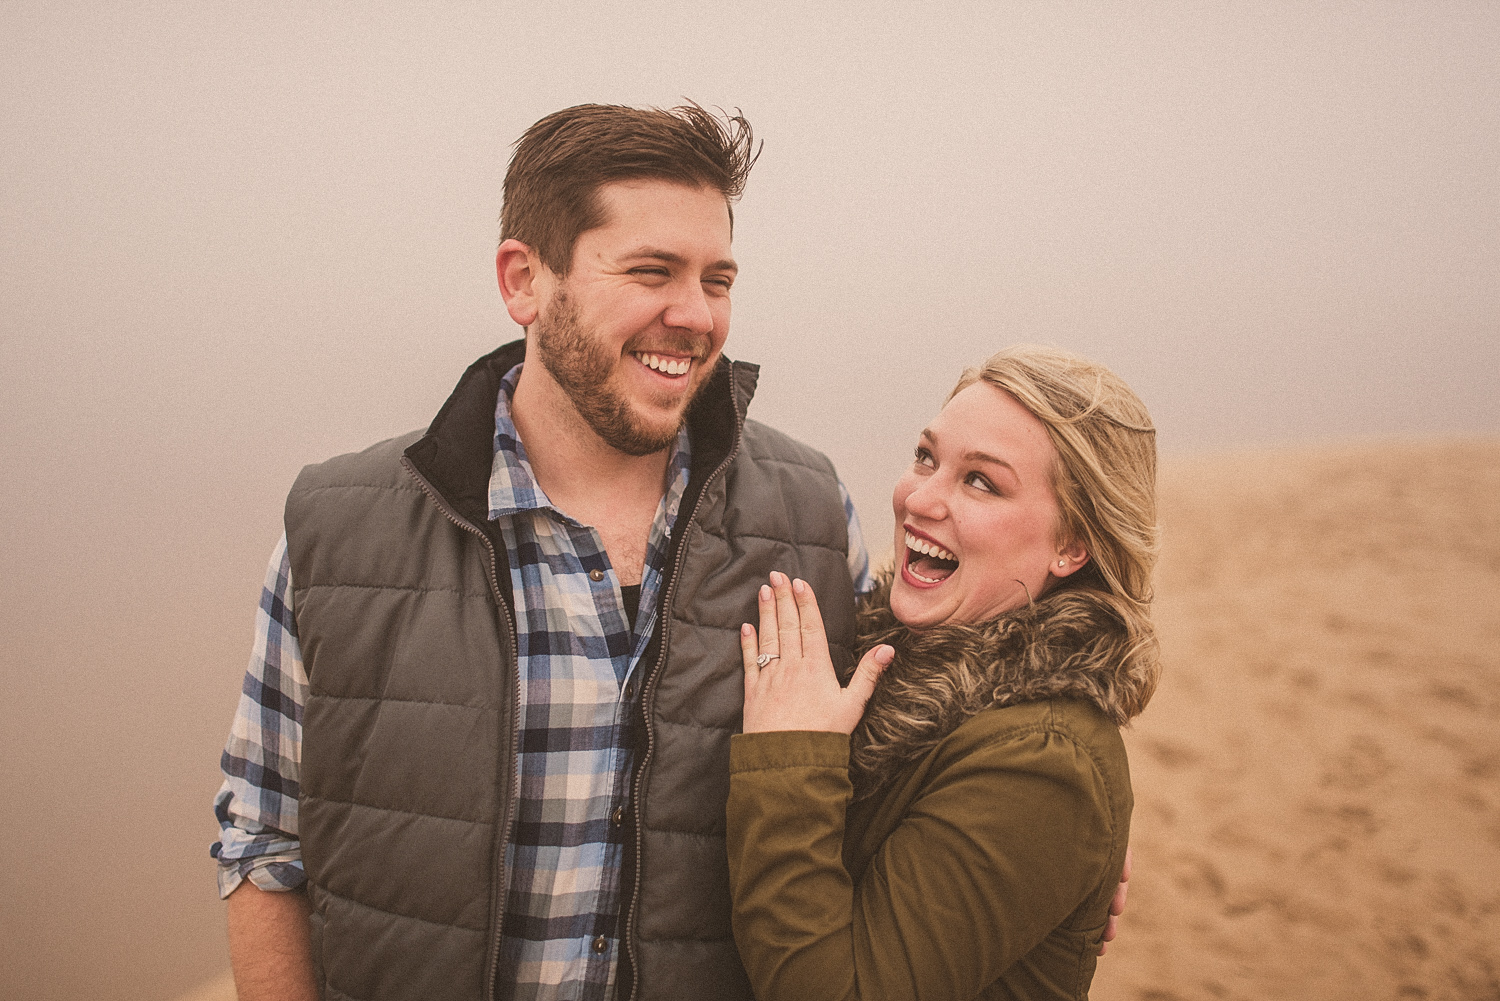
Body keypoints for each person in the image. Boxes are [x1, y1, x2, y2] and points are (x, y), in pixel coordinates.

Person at [210, 103, 874, 1001]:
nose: (697, 315)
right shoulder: (339, 529)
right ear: (524, 280)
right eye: (651, 271)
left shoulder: (812, 517)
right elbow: (264, 837)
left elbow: (887, 810)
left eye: (717, 279)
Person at [727, 344, 1157, 999]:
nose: (919, 498)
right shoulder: (891, 664)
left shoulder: (1045, 765)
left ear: (1072, 545)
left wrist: (789, 757)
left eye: (981, 481)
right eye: (926, 457)